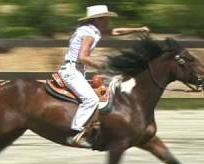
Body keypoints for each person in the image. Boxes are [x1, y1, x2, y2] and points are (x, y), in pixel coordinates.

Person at [58, 5, 150, 146]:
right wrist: (103, 66)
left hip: (76, 70)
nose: (108, 21)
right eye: (106, 18)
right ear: (99, 19)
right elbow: (83, 57)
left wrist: (138, 30)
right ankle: (75, 132)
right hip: (72, 71)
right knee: (91, 99)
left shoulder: (91, 30)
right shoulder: (89, 34)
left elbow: (116, 31)